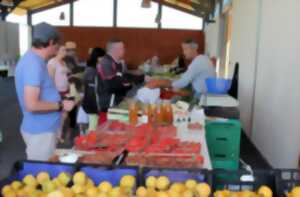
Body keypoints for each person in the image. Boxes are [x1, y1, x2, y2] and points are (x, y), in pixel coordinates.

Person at [15, 22, 75, 161]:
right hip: (40, 132)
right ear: (50, 42)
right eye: (57, 44)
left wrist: (57, 122)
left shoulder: (35, 60)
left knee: (46, 171)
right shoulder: (33, 64)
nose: (58, 48)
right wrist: (61, 105)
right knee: (42, 176)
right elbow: (32, 105)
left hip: (44, 128)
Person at [147, 38, 216, 97]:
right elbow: (185, 76)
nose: (183, 52)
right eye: (183, 49)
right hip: (203, 92)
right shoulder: (203, 58)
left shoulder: (198, 62)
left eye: (185, 49)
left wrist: (161, 83)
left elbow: (183, 82)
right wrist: (164, 80)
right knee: (174, 89)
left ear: (194, 49)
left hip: (202, 96)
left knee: (174, 91)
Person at [96, 39, 132, 112]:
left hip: (116, 98)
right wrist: (128, 85)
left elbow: (122, 79)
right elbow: (112, 85)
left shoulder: (116, 63)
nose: (124, 50)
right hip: (108, 102)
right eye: (122, 48)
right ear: (115, 50)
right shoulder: (106, 63)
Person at [47, 45, 70, 142]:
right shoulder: (52, 62)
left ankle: (58, 134)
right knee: (56, 115)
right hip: (57, 92)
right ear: (57, 51)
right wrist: (53, 94)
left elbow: (65, 77)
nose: (65, 51)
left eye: (66, 50)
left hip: (65, 91)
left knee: (64, 115)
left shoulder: (63, 62)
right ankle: (54, 135)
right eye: (63, 50)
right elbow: (50, 80)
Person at [81, 47, 106, 133]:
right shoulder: (91, 71)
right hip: (92, 103)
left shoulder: (93, 69)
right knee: (93, 127)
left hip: (93, 103)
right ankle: (89, 141)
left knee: (94, 124)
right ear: (97, 57)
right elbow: (93, 90)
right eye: (102, 57)